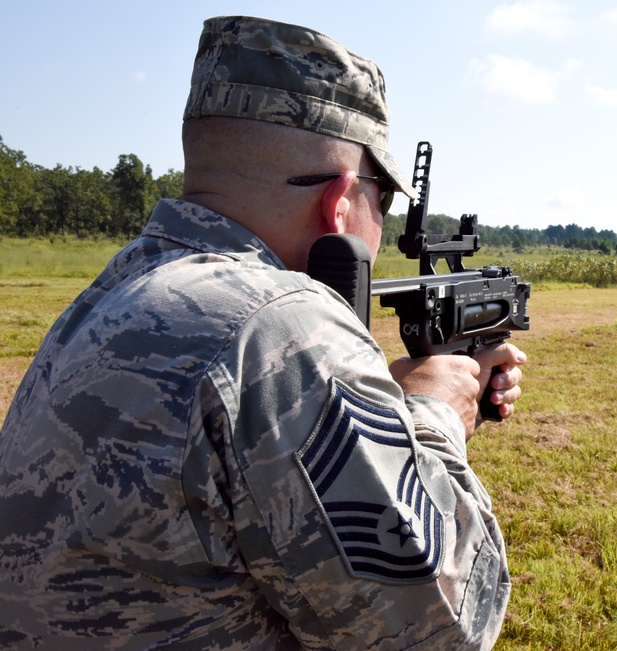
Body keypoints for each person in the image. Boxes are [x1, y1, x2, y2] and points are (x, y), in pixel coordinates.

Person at [0, 16, 525, 650]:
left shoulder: (107, 297)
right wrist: (433, 418)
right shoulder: (281, 326)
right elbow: (443, 627)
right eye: (380, 201)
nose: (379, 228)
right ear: (339, 201)